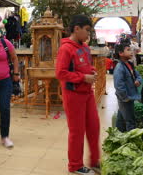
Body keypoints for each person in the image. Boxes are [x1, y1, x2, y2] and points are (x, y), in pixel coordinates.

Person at [55, 15, 100, 175]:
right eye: (87, 30)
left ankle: (95, 161)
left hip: (87, 94)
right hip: (73, 95)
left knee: (94, 127)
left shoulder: (85, 48)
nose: (88, 34)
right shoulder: (65, 48)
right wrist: (83, 77)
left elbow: (84, 66)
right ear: (76, 29)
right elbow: (60, 73)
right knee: (77, 131)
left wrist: (91, 72)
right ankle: (75, 165)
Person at [113, 44, 143, 132]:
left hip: (130, 96)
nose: (131, 52)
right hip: (125, 98)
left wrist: (138, 80)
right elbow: (119, 85)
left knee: (122, 118)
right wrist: (125, 97)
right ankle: (132, 137)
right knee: (130, 120)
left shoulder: (130, 65)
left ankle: (118, 133)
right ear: (121, 53)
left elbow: (138, 76)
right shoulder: (119, 68)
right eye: (128, 50)